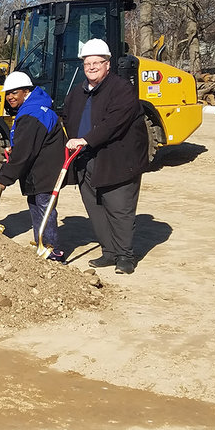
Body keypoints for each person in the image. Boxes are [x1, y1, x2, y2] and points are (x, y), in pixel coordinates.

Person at [62, 38, 149, 275]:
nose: (91, 67)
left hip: (118, 161)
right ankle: (109, 252)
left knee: (119, 208)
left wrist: (85, 139)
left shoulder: (121, 90)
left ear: (107, 64)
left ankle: (125, 256)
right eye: (87, 63)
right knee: (96, 208)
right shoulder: (78, 92)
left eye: (96, 62)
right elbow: (67, 118)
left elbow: (113, 123)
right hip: (85, 160)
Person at [0, 71, 66, 261]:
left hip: (44, 172)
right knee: (37, 207)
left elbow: (24, 152)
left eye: (14, 92)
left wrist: (6, 177)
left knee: (44, 209)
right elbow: (29, 144)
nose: (10, 97)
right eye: (7, 93)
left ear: (26, 91)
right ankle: (42, 247)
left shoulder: (32, 114)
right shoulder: (35, 109)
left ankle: (52, 253)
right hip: (40, 171)